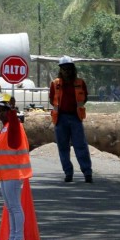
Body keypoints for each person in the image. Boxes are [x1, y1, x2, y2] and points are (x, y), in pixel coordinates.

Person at [0, 93, 32, 240]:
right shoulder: (5, 127)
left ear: (9, 110)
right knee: (10, 207)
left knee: (14, 207)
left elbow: (14, 123)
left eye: (2, 109)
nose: (0, 113)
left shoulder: (13, 125)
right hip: (6, 175)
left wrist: (13, 111)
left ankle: (18, 239)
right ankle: (12, 239)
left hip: (13, 174)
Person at [49, 55, 93, 183]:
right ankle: (68, 173)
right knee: (63, 147)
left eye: (69, 68)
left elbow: (85, 98)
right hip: (60, 119)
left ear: (73, 69)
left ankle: (87, 173)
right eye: (64, 69)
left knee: (81, 146)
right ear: (60, 70)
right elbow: (52, 99)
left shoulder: (80, 83)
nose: (67, 71)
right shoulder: (55, 84)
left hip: (75, 118)